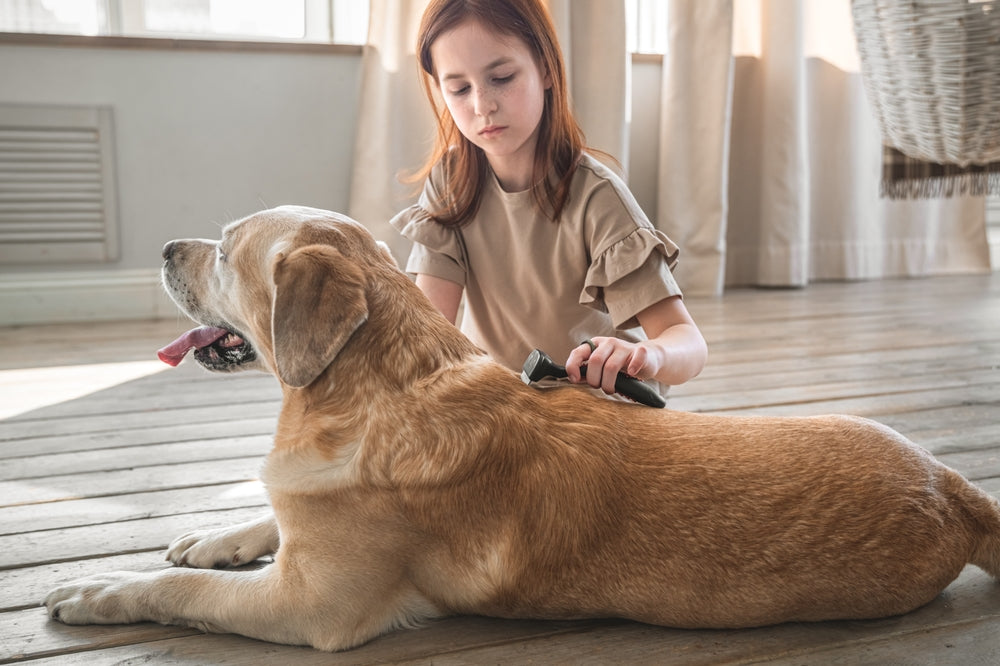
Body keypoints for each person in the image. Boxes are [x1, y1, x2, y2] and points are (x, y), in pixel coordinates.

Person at [391, 0, 707, 399]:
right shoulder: (450, 183)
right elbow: (430, 333)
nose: (482, 106)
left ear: (545, 68)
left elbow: (688, 344)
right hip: (502, 413)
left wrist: (649, 354)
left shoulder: (598, 197)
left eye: (502, 77)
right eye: (459, 89)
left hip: (594, 420)